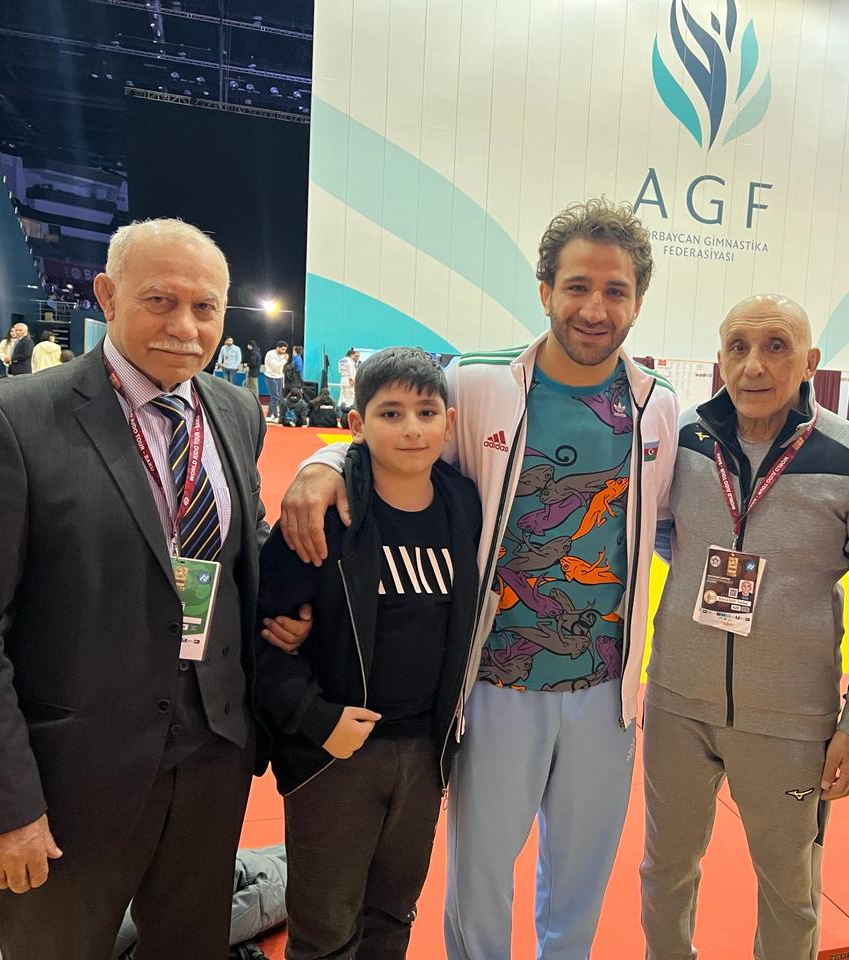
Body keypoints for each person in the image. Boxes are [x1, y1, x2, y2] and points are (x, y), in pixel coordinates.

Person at [275, 197, 679, 960]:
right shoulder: (479, 382)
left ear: (637, 301)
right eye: (577, 286)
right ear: (545, 290)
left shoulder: (657, 403)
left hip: (606, 689)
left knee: (582, 882)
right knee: (481, 881)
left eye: (615, 291)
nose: (595, 309)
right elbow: (397, 435)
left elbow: (665, 522)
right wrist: (323, 461)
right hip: (494, 680)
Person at [0, 218, 310, 960]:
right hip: (69, 780)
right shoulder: (8, 420)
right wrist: (1, 810)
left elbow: (236, 540)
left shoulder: (234, 411)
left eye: (205, 307)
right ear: (106, 294)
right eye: (160, 300)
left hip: (212, 757)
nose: (185, 327)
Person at [640, 294, 849, 960]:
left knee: (790, 891)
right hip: (676, 703)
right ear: (720, 357)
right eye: (738, 347)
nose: (754, 365)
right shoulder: (685, 439)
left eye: (776, 346)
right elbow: (667, 536)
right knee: (664, 872)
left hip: (790, 720)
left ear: (811, 362)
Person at [257, 346, 482, 960]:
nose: (411, 428)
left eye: (426, 413)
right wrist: (315, 719)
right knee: (324, 930)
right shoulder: (321, 515)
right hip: (335, 754)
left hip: (424, 752)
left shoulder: (465, 504)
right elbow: (262, 638)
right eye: (390, 413)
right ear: (357, 425)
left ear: (448, 423)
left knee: (391, 916)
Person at [264, 341, 289, 423]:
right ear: (277, 348)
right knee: (275, 397)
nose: (284, 351)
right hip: (271, 377)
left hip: (280, 377)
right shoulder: (270, 354)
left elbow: (282, 368)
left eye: (285, 350)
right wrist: (284, 360)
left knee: (277, 398)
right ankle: (275, 416)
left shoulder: (283, 355)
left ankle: (269, 415)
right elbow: (275, 367)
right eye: (282, 349)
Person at [338, 346, 360, 411]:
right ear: (351, 355)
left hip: (342, 379)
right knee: (350, 396)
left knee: (342, 395)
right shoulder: (350, 361)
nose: (356, 358)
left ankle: (340, 408)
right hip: (349, 380)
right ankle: (348, 410)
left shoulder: (340, 361)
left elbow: (339, 371)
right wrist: (352, 379)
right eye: (355, 356)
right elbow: (351, 371)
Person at [244, 340, 263, 405]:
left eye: (248, 345)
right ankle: (251, 399)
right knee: (250, 386)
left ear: (251, 345)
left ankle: (256, 401)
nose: (247, 346)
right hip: (255, 372)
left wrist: (247, 365)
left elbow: (253, 364)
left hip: (253, 373)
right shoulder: (258, 352)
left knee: (254, 387)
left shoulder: (254, 353)